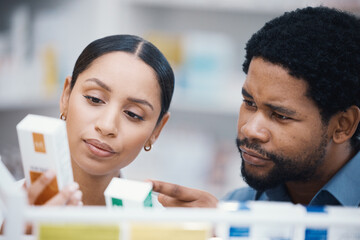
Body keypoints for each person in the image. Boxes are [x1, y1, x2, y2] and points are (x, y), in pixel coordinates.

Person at [151, 6, 360, 207]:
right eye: (249, 103)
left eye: (280, 115)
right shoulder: (238, 206)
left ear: (343, 125)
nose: (249, 129)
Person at [25, 34, 175, 207]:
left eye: (133, 114)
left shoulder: (159, 226)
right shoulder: (8, 211)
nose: (107, 126)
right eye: (94, 99)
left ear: (157, 130)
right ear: (66, 96)